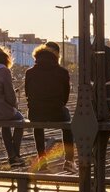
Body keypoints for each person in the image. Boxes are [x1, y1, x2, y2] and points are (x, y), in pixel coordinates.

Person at [25, 41, 76, 172]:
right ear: (57, 55)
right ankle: (69, 160)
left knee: (37, 125)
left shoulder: (30, 72)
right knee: (67, 125)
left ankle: (42, 162)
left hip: (36, 113)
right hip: (56, 111)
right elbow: (65, 97)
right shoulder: (62, 72)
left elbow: (28, 94)